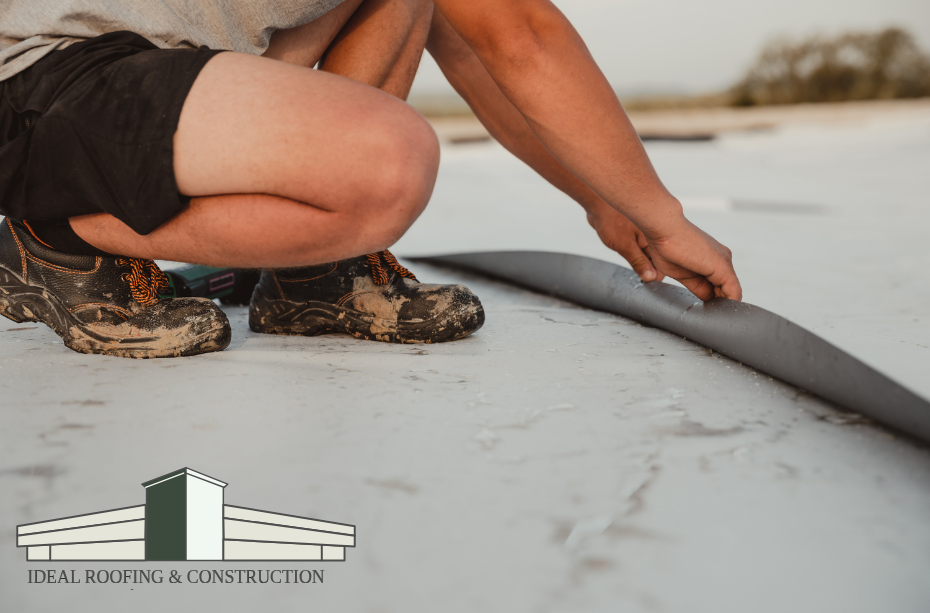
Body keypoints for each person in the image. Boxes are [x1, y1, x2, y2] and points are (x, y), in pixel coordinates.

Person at [0, 0, 740, 360]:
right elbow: (521, 37)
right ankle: (57, 235)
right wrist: (666, 216)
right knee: (389, 165)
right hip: (47, 78)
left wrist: (607, 201)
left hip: (161, 67)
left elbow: (483, 53)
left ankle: (315, 279)